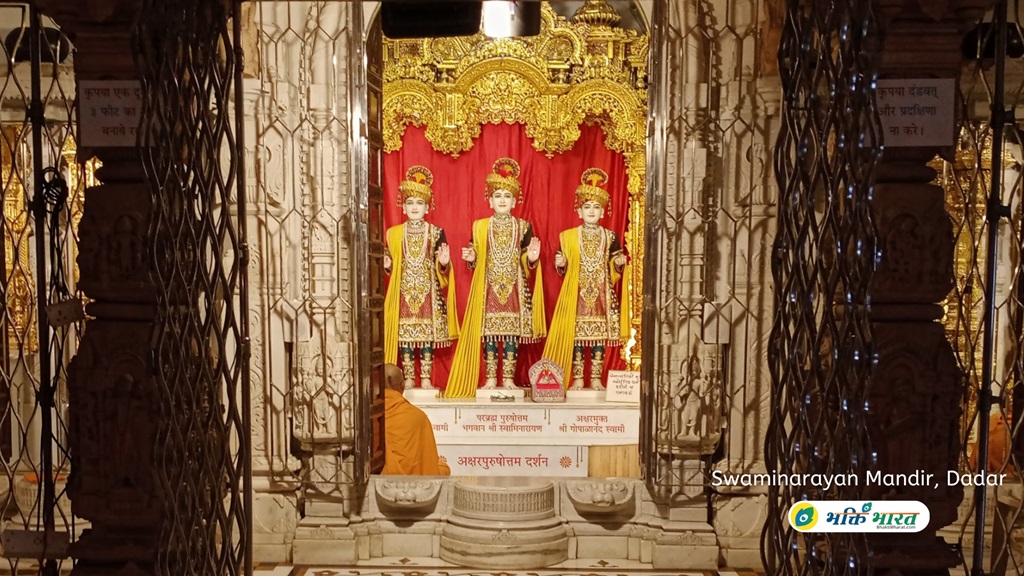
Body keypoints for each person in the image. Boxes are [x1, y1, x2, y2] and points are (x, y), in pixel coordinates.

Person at [445, 157, 546, 397]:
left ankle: (508, 378)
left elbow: (525, 259)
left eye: (506, 196)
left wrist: (531, 257)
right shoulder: (480, 226)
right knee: (489, 334)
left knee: (511, 334)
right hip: (488, 287)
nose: (502, 200)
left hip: (514, 287)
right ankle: (491, 378)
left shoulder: (523, 227)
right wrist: (471, 257)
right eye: (497, 195)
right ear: (490, 200)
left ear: (514, 201)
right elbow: (476, 253)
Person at [542, 167, 629, 390]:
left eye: (596, 208)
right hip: (576, 294)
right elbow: (562, 264)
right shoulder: (569, 236)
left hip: (600, 294)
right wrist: (560, 265)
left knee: (598, 339)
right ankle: (579, 379)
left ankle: (597, 379)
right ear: (579, 212)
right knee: (577, 339)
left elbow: (616, 260)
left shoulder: (610, 236)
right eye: (587, 207)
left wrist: (618, 264)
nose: (591, 211)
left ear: (603, 212)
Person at [383, 165, 459, 389]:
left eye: (419, 203)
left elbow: (440, 262)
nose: (414, 207)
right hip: (404, 290)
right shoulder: (394, 233)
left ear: (427, 207)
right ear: (404, 207)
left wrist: (444, 264)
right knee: (405, 336)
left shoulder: (436, 232)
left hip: (428, 290)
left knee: (426, 335)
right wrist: (388, 265)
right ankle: (407, 378)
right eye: (410, 203)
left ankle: (425, 378)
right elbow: (390, 262)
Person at [382, 364, 451, 475]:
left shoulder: (370, 416)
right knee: (443, 468)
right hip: (412, 483)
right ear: (402, 385)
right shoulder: (418, 417)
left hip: (380, 478)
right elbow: (428, 464)